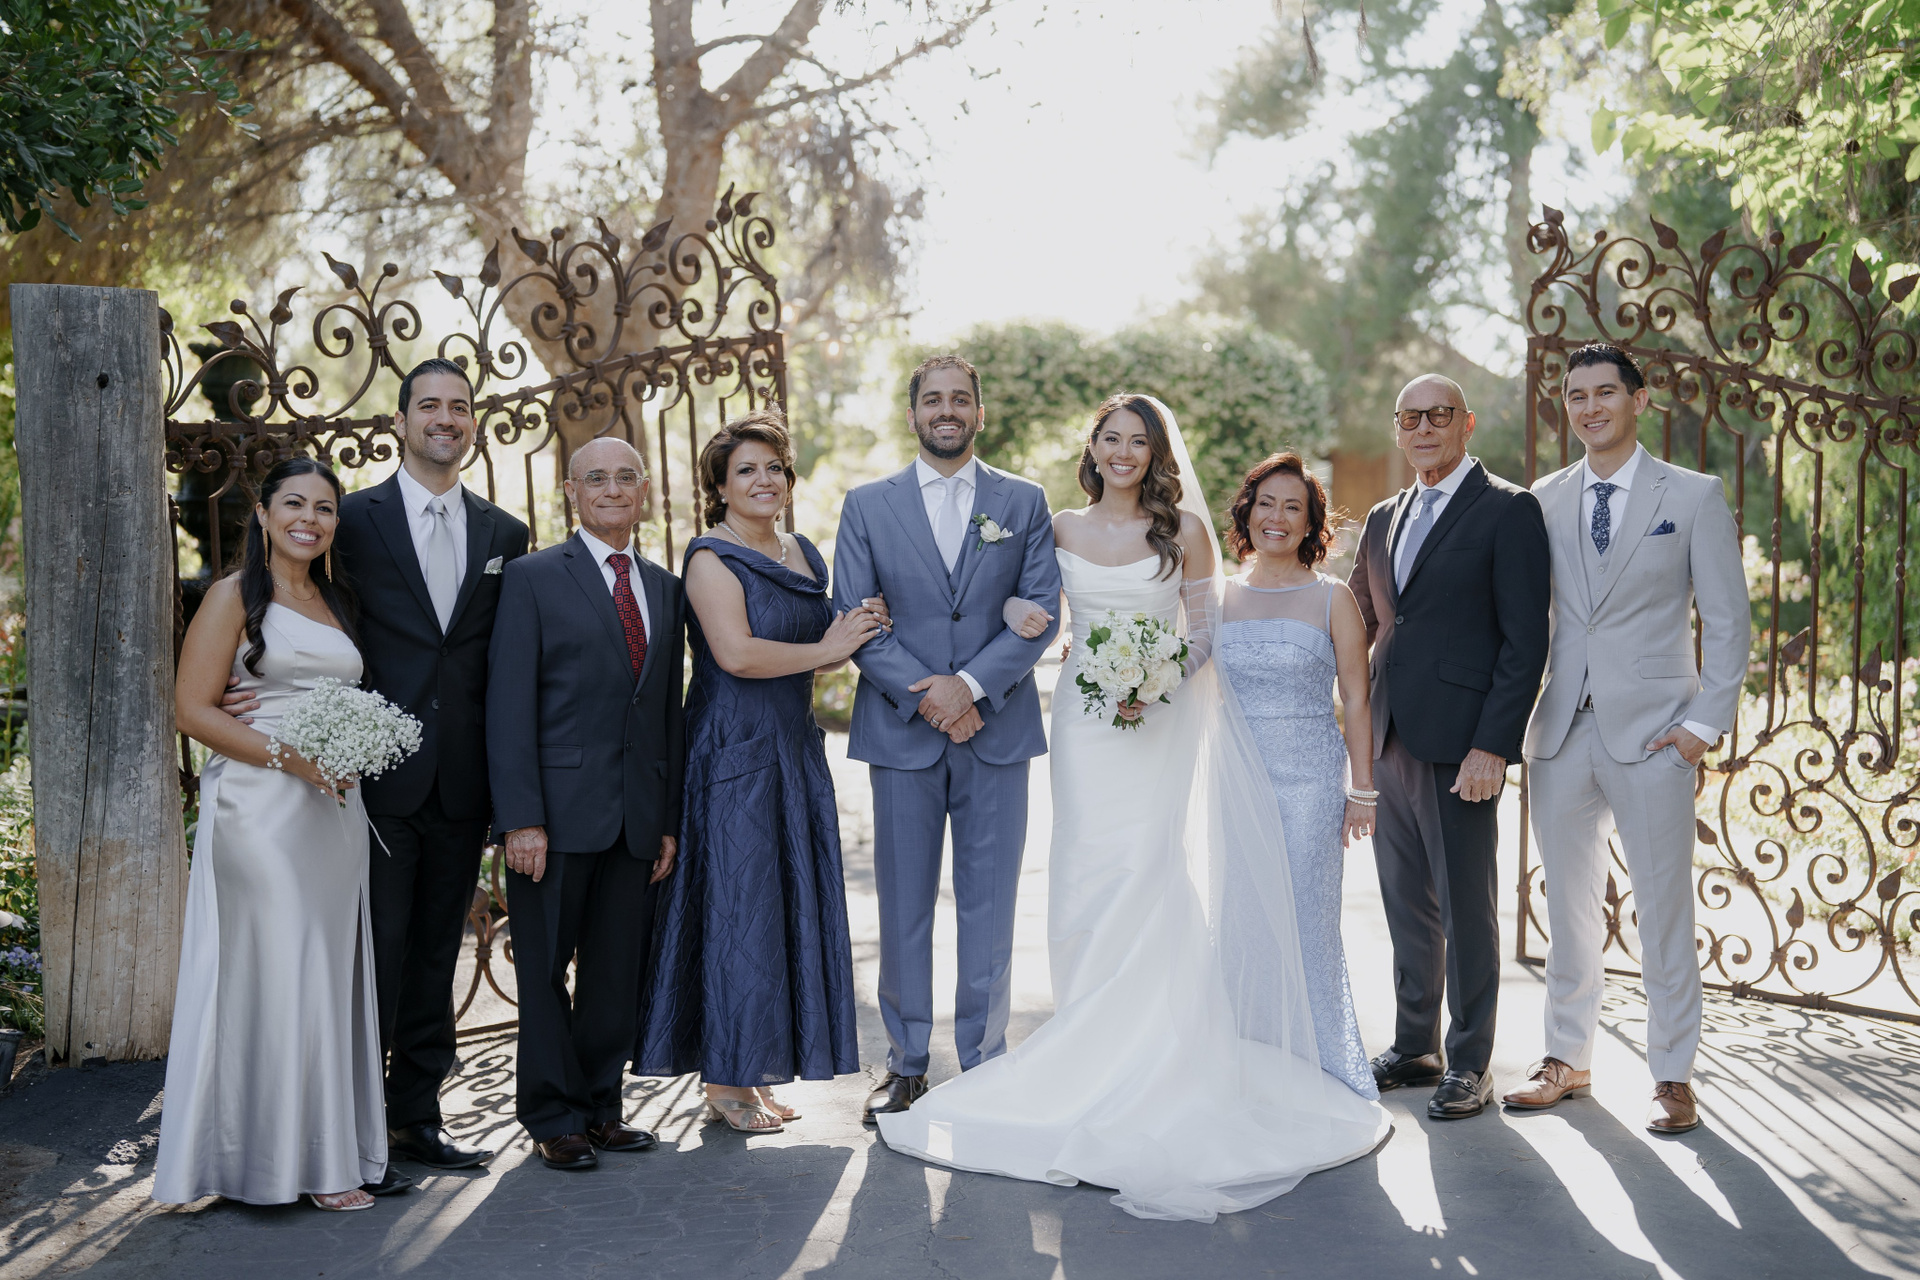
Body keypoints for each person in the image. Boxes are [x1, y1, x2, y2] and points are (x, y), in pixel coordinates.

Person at [876, 394, 1390, 1223]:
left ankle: (1154, 1044)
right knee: (1085, 872)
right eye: (1111, 439)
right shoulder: (1058, 526)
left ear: (1156, 454)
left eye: (1138, 442)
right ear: (1093, 448)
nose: (1124, 452)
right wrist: (1014, 614)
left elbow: (1205, 630)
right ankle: (1088, 1032)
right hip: (1084, 724)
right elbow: (1023, 607)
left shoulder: (1183, 532)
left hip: (1155, 719)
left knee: (1151, 867)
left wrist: (1157, 678)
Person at [1504, 344, 1748, 1134]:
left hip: (1655, 735)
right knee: (1567, 907)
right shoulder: (1542, 498)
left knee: (1662, 908)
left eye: (1605, 392)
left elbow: (1729, 618)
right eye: (1576, 395)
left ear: (1638, 401)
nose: (1589, 407)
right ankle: (1566, 1058)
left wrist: (1702, 726)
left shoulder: (1694, 495)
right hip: (1561, 729)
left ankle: (1672, 1075)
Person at [637, 410, 886, 1131]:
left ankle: (751, 1072)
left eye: (774, 468)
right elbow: (738, 655)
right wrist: (831, 648)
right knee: (737, 911)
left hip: (793, 747)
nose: (764, 480)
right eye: (746, 470)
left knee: (779, 910)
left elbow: (821, 638)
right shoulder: (710, 558)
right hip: (733, 750)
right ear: (719, 487)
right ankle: (724, 1082)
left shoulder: (801, 550)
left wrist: (861, 623)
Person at [830, 355, 1063, 1123]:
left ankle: (985, 1063)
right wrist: (933, 695)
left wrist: (972, 686)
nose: (947, 410)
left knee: (989, 908)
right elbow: (855, 618)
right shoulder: (867, 505)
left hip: (997, 729)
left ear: (979, 413)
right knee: (903, 906)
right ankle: (906, 1064)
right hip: (903, 732)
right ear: (913, 415)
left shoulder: (1022, 500)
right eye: (933, 399)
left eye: (961, 399)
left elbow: (1041, 608)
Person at [158, 457, 389, 1211]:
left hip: (334, 814)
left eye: (324, 508)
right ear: (262, 513)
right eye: (294, 503)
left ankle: (319, 1152)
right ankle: (268, 1161)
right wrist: (296, 759)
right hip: (260, 809)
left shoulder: (337, 599)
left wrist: (351, 749)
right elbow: (192, 710)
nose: (309, 519)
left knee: (322, 970)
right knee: (276, 968)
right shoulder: (233, 596)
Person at [332, 358, 527, 1175]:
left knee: (436, 954)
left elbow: (503, 659)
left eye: (460, 406)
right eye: (430, 405)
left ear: (472, 422)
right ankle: (351, 1129)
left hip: (461, 780)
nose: (445, 418)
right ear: (401, 421)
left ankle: (416, 1117)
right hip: (374, 777)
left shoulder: (505, 534)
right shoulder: (352, 519)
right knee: (372, 955)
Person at [1348, 375, 1550, 1120]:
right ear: (1397, 430)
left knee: (1466, 909)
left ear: (1466, 424)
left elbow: (1526, 642)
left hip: (1462, 747)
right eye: (1411, 418)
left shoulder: (1507, 509)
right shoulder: (1383, 517)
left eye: (1439, 415)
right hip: (1389, 737)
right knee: (1405, 903)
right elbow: (1360, 619)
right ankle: (1415, 1045)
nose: (1424, 428)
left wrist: (1492, 744)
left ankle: (1469, 1061)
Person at [486, 437, 685, 1171]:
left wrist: (666, 820)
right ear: (572, 491)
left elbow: (665, 712)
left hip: (635, 819)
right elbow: (508, 704)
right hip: (554, 816)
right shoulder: (533, 577)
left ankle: (602, 1109)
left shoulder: (664, 587)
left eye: (626, 477)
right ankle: (553, 1117)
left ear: (644, 491)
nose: (612, 489)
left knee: (612, 973)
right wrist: (521, 818)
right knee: (543, 973)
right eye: (595, 478)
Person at [1215, 453, 1379, 1099]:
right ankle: (1244, 1055)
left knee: (1306, 923)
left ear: (1311, 522)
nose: (1277, 517)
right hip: (1234, 784)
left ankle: (1318, 1062)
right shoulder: (1215, 595)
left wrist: (1361, 791)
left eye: (1293, 507)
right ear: (1247, 513)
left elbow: (1357, 700)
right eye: (1266, 504)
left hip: (1309, 784)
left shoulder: (1333, 597)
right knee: (1239, 919)